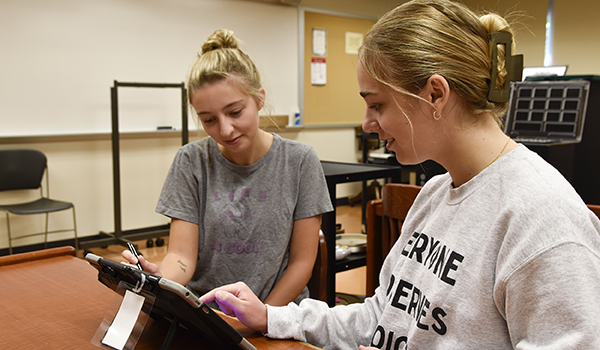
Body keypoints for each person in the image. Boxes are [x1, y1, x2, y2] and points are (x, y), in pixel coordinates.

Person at [199, 0, 600, 349]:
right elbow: (382, 316)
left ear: (435, 95)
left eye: (376, 105)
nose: (368, 124)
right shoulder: (433, 195)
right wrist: (271, 317)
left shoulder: (542, 217)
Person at [122, 29, 333, 306]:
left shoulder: (300, 161)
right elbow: (182, 258)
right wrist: (161, 277)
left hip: (275, 313)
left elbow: (302, 264)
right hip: (207, 313)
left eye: (235, 112)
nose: (225, 129)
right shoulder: (191, 161)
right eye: (208, 120)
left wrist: (262, 316)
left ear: (259, 99)